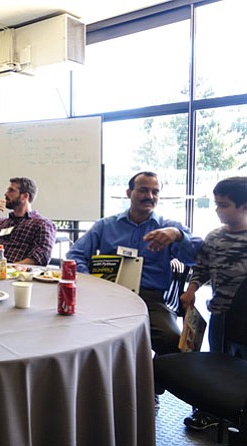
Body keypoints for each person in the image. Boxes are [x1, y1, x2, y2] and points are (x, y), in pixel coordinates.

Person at [66, 171, 203, 357]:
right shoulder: (106, 225)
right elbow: (75, 255)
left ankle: (151, 385)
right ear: (129, 193)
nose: (150, 196)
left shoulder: (168, 227)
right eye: (143, 190)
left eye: (155, 192)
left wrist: (178, 236)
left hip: (149, 299)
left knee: (171, 339)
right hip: (106, 294)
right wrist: (92, 281)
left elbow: (197, 257)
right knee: (75, 331)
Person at [178, 176, 247, 430]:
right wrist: (192, 288)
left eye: (224, 205)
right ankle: (211, 412)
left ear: (244, 205)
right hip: (220, 314)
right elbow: (202, 267)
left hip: (245, 317)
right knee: (217, 363)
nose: (218, 210)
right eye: (216, 204)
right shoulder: (215, 236)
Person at [0, 177, 56, 265]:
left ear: (25, 196)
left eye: (11, 190)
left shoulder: (42, 224)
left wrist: (7, 269)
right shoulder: (1, 222)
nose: (5, 194)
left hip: (18, 276)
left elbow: (41, 257)